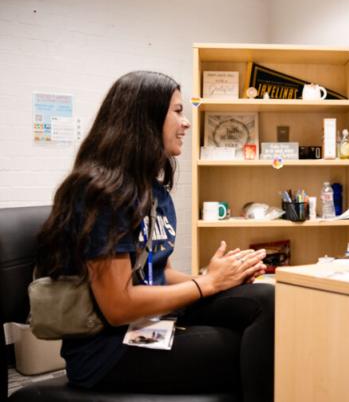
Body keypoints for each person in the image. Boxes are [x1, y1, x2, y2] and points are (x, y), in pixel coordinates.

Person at [35, 71, 274, 401]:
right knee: (251, 347)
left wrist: (222, 278)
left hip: (150, 322)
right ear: (144, 118)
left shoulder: (154, 191)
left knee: (266, 301)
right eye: (177, 111)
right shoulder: (101, 193)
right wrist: (206, 284)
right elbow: (118, 306)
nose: (186, 122)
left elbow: (157, 273)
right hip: (110, 348)